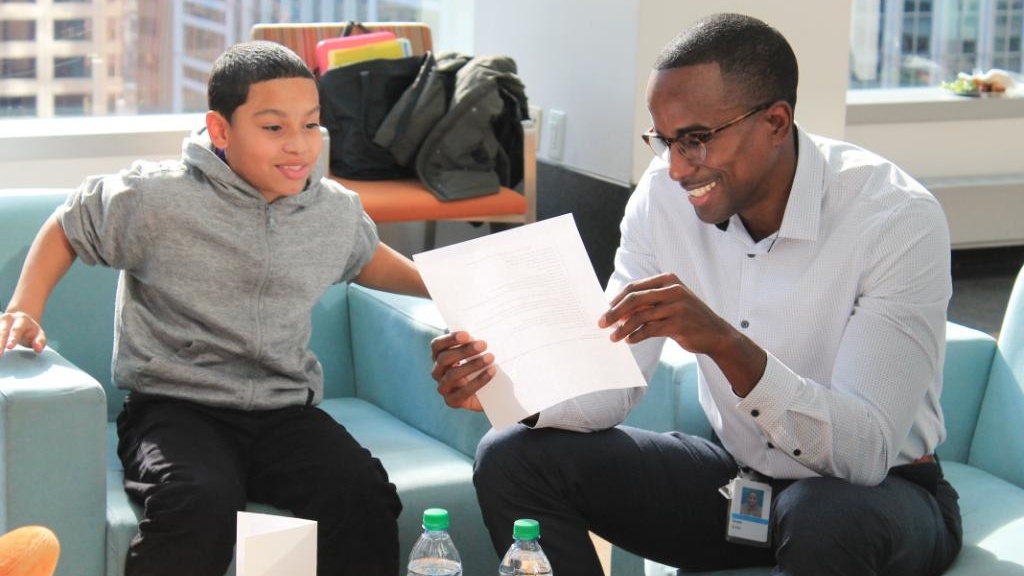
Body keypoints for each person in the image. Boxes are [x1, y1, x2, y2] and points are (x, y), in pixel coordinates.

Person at [429, 13, 962, 576]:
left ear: (776, 122)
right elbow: (612, 385)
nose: (677, 167)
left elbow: (865, 452)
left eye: (696, 140)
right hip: (741, 488)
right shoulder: (661, 200)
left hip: (881, 496)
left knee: (821, 517)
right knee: (510, 455)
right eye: (664, 140)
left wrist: (727, 345)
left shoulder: (895, 219)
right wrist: (511, 393)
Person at [0, 41, 428, 576]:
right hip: (175, 408)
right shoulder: (156, 198)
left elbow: (367, 258)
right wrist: (24, 306)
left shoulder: (331, 210)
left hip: (284, 411)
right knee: (197, 500)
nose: (298, 146)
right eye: (274, 128)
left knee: (361, 493)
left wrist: (444, 286)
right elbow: (69, 225)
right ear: (221, 130)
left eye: (311, 125)